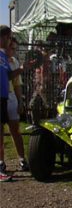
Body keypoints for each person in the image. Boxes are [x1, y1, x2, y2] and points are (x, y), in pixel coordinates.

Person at [6, 38, 29, 171]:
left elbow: (17, 84)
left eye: (15, 48)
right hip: (3, 96)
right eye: (11, 48)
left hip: (11, 97)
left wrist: (20, 101)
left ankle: (21, 159)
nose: (13, 51)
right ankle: (2, 161)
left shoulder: (14, 62)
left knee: (15, 130)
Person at [0, 25, 13, 181]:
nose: (10, 41)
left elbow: (9, 76)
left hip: (3, 97)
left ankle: (1, 163)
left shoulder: (3, 56)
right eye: (9, 38)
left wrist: (23, 68)